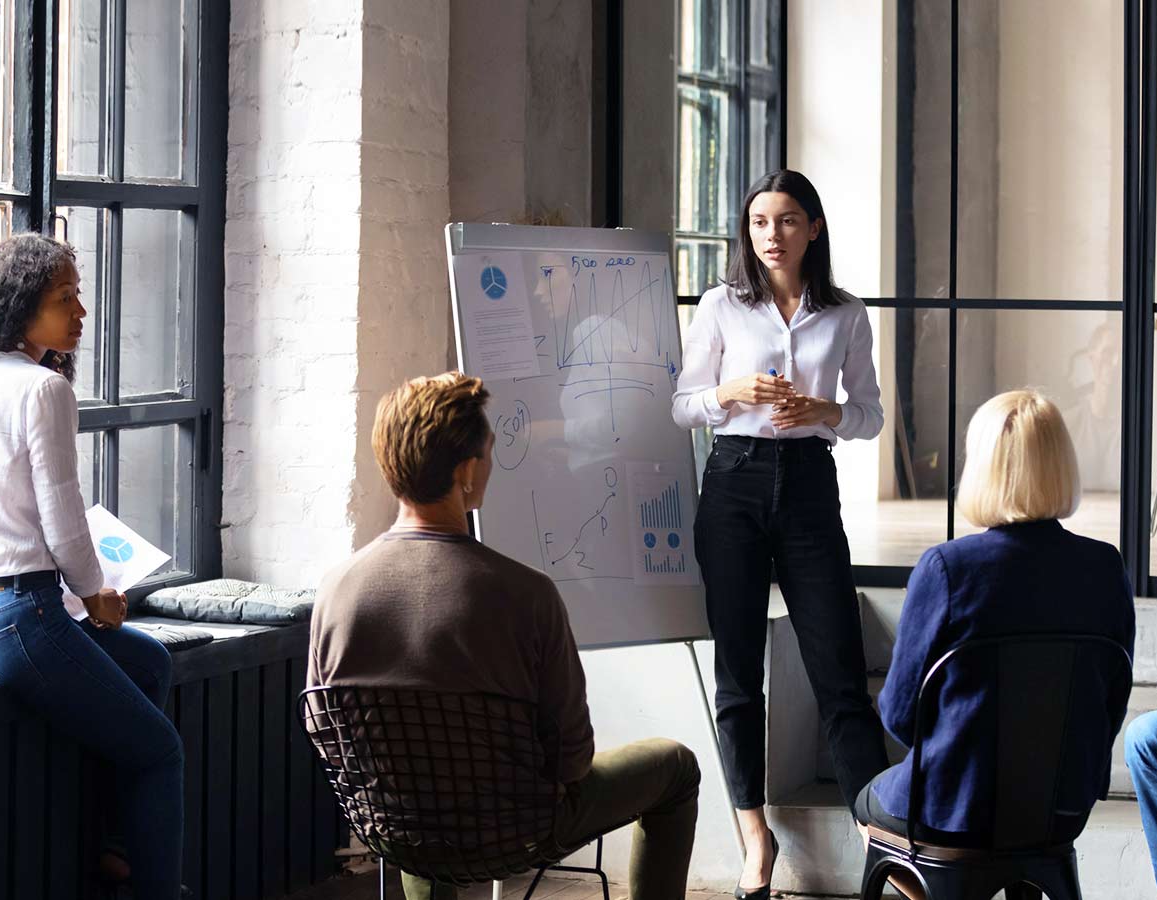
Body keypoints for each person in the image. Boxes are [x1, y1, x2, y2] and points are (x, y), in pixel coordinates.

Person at [309, 372, 701, 900]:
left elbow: (327, 730)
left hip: (396, 828)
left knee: (421, 785)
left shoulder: (336, 590)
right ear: (467, 471)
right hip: (517, 832)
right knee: (675, 767)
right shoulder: (526, 594)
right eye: (489, 451)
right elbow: (573, 760)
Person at [0, 233, 183, 897]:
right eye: (65, 299)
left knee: (150, 662)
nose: (81, 312)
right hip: (20, 617)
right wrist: (96, 592)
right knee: (160, 750)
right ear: (21, 308)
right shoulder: (43, 389)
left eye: (79, 296)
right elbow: (62, 512)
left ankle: (113, 844)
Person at [672, 169, 889, 898]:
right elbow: (681, 407)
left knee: (838, 670)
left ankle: (877, 840)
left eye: (789, 220)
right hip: (731, 481)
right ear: (748, 230)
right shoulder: (721, 306)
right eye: (761, 221)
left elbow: (870, 416)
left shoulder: (847, 314)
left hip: (806, 485)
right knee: (738, 676)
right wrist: (727, 394)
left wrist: (825, 411)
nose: (773, 234)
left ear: (814, 229)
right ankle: (754, 839)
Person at [858, 391, 1135, 859]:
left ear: (982, 467)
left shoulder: (947, 568)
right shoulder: (1105, 566)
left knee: (867, 803)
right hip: (1062, 807)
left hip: (954, 806)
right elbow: (1111, 702)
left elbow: (902, 716)